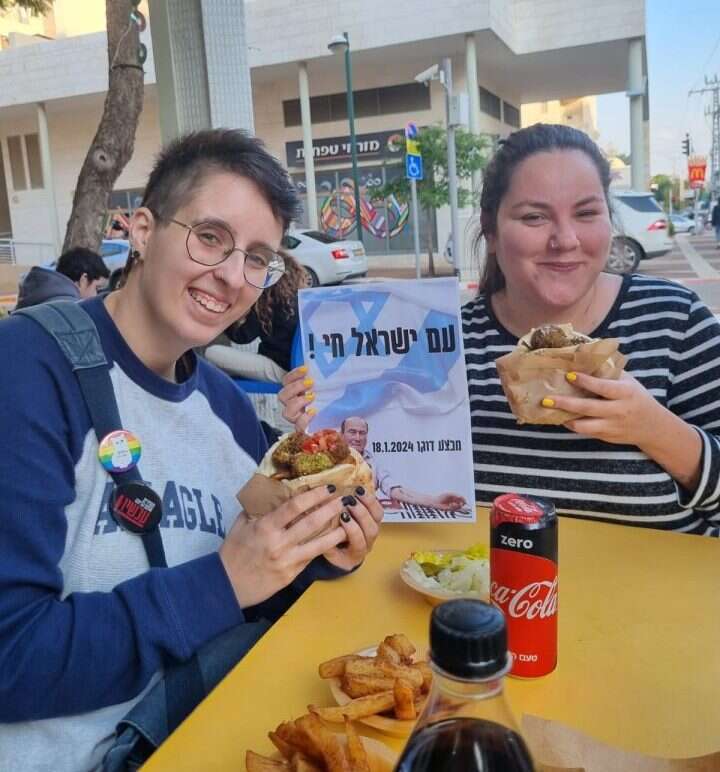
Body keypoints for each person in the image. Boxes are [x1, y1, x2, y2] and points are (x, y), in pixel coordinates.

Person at [0, 129, 384, 772]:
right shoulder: (29, 369)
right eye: (210, 238)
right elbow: (11, 657)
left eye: (257, 258)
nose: (232, 277)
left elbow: (245, 585)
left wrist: (320, 549)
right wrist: (225, 582)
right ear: (142, 231)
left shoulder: (226, 408)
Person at [281, 124, 720, 536]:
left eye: (586, 213)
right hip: (486, 609)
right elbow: (379, 495)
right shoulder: (444, 350)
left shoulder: (672, 320)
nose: (564, 239)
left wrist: (653, 428)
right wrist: (320, 437)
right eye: (535, 217)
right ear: (490, 230)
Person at [204, 253, 307, 382]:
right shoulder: (297, 297)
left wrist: (231, 315)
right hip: (302, 368)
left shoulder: (266, 301)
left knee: (212, 352)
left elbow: (242, 337)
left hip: (281, 370)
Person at [340, 416, 467, 511]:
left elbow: (396, 491)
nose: (357, 438)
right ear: (341, 435)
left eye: (362, 433)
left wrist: (434, 501)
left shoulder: (373, 462)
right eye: (352, 432)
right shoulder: (327, 459)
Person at [14, 246, 110, 310]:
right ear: (83, 280)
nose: (98, 296)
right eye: (97, 288)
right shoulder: (72, 311)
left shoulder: (34, 298)